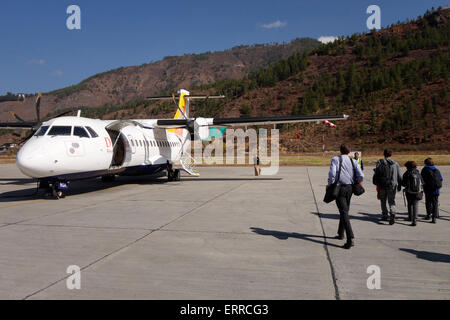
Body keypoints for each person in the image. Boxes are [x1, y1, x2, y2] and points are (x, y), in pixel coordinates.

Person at [327, 144, 364, 249]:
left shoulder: (335, 159)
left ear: (340, 150)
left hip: (340, 188)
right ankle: (341, 233)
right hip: (350, 189)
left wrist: (330, 184)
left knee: (344, 212)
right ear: (350, 151)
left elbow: (332, 174)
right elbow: (361, 175)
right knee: (345, 210)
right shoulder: (354, 161)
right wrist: (357, 183)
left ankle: (350, 238)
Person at [373, 149, 402, 225]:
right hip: (392, 185)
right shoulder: (395, 163)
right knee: (391, 200)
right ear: (391, 154)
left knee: (383, 200)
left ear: (384, 154)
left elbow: (377, 173)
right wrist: (399, 185)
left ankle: (385, 215)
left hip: (382, 185)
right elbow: (399, 176)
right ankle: (392, 212)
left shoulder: (380, 162)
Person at [421, 158, 443, 223]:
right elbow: (441, 178)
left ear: (425, 163)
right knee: (435, 203)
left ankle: (428, 215)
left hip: (428, 189)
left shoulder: (425, 169)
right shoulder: (436, 169)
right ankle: (434, 218)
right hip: (436, 189)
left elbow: (421, 179)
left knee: (428, 202)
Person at [401, 161, 423, 226]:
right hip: (418, 191)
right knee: (415, 205)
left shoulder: (407, 173)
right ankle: (415, 219)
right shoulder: (418, 173)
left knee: (410, 204)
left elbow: (403, 183)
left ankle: (410, 217)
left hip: (409, 191)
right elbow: (423, 182)